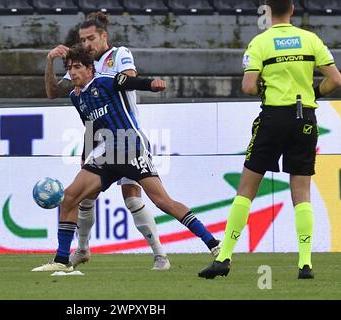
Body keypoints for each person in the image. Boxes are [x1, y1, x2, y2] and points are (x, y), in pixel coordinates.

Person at [44, 12, 221, 270]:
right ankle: (63, 260)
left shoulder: (108, 74)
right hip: (105, 153)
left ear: (90, 67)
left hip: (129, 144)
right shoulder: (77, 96)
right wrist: (87, 152)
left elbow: (128, 81)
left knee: (159, 201)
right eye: (70, 69)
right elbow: (90, 124)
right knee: (72, 196)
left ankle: (212, 243)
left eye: (77, 67)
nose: (73, 72)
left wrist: (152, 84)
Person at [198, 0, 341, 280]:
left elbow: (249, 86)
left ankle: (224, 257)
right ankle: (305, 263)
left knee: (246, 190)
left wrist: (266, 83)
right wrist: (314, 93)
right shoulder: (310, 40)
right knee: (302, 193)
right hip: (305, 119)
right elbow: (335, 79)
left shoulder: (260, 43)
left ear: (266, 11)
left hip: (273, 119)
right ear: (292, 9)